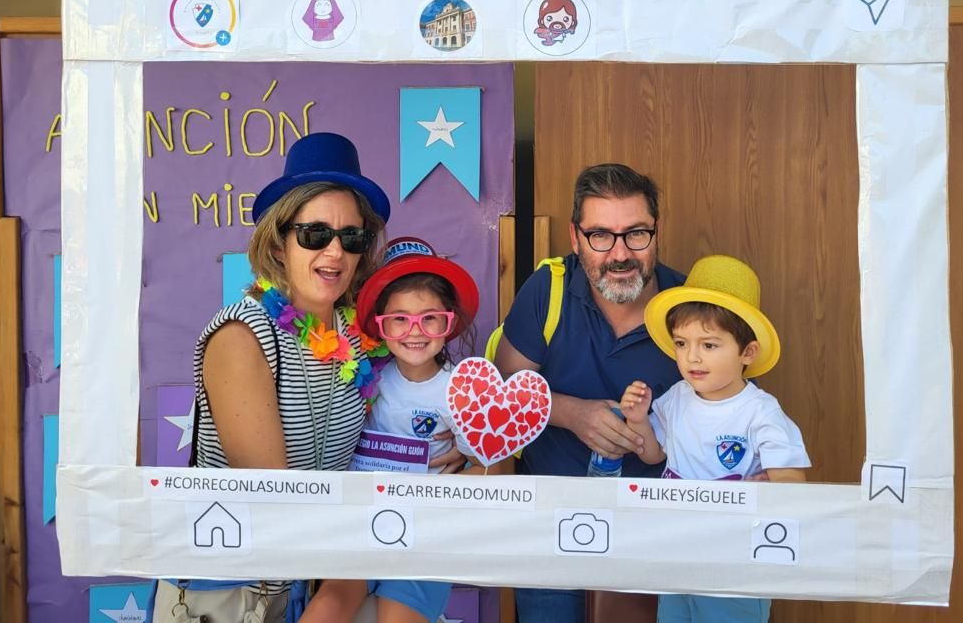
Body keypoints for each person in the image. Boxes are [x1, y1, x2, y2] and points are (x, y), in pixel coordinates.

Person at [151, 133, 461, 622]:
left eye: (351, 237)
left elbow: (401, 420)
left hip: (310, 586)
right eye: (315, 234)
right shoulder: (242, 335)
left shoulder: (360, 339)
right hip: (228, 589)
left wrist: (455, 446)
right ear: (279, 241)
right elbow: (272, 494)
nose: (334, 252)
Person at [493, 163, 686, 623]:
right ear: (577, 239)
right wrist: (571, 413)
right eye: (601, 235)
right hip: (551, 527)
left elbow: (733, 410)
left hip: (658, 533)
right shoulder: (549, 289)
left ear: (657, 233)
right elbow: (501, 395)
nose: (620, 253)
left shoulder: (690, 305)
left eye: (635, 233)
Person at [302, 237, 499, 623]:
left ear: (449, 322)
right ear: (380, 322)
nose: (415, 330)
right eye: (399, 318)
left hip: (425, 538)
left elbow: (488, 470)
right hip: (360, 530)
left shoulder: (463, 391)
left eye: (429, 317)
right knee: (324, 609)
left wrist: (449, 485)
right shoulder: (361, 375)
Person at [623, 254, 810, 623]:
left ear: (747, 352)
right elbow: (652, 455)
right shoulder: (676, 398)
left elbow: (793, 484)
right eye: (681, 343)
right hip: (676, 556)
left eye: (709, 345)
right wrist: (637, 420)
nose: (692, 357)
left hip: (735, 567)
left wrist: (769, 489)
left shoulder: (761, 413)